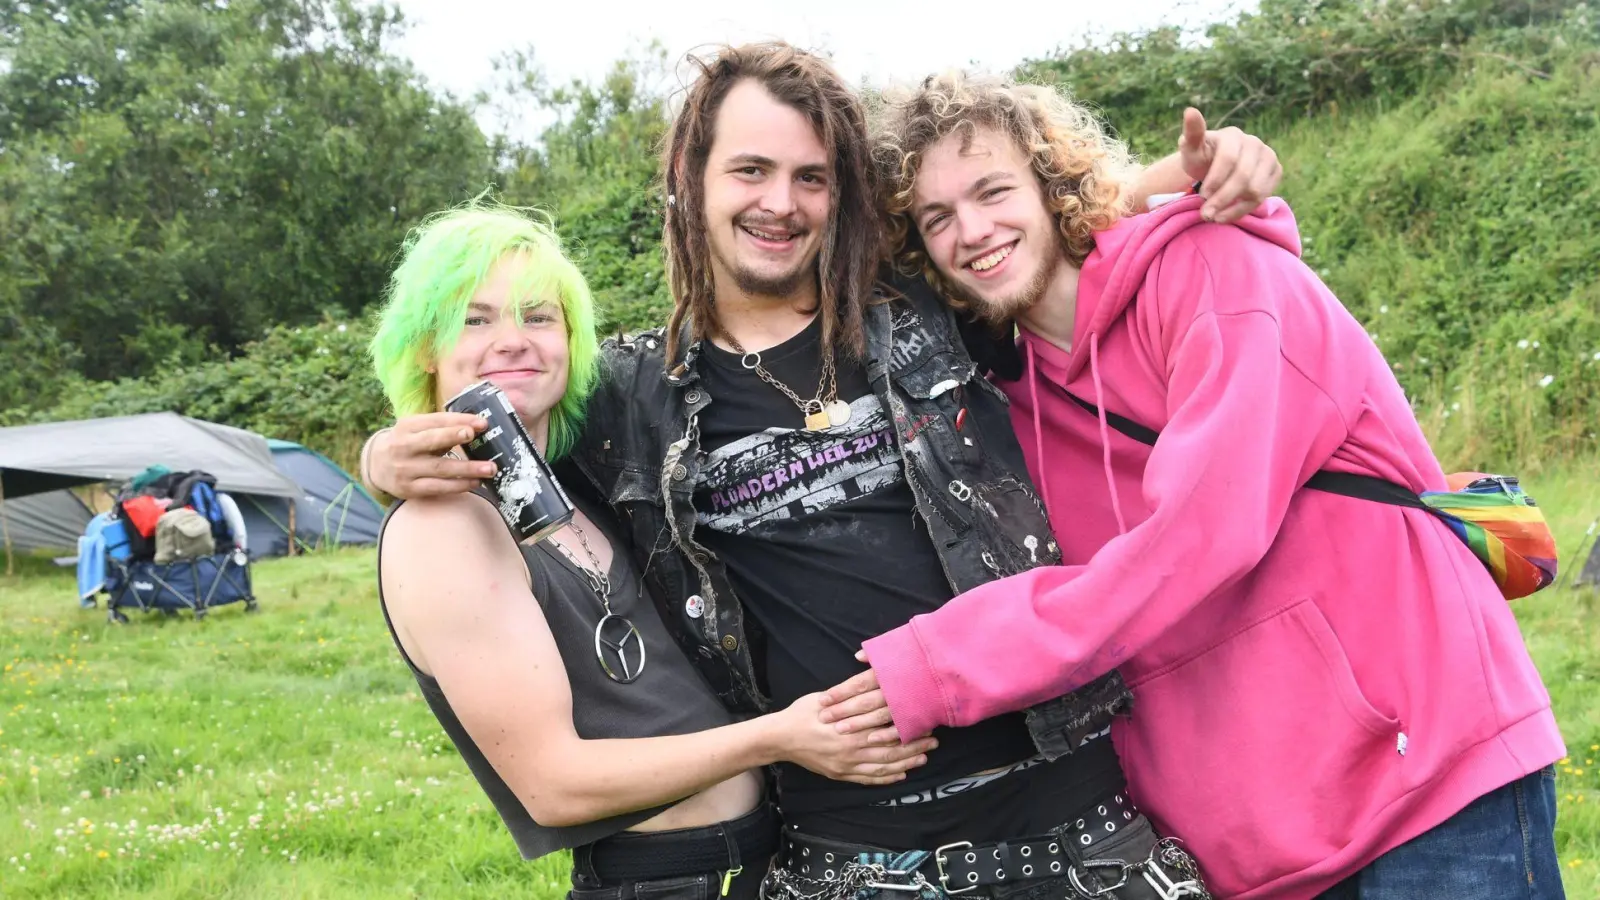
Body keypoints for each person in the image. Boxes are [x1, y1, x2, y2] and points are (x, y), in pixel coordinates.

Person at [364, 43, 1282, 898]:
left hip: (1077, 827)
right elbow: (503, 404)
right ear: (692, 181)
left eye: (811, 177)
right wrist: (383, 454)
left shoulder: (928, 309)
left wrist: (1198, 172)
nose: (781, 202)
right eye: (751, 171)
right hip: (844, 859)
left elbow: (1048, 234)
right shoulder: (626, 403)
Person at [822, 70, 1568, 899]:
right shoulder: (998, 400)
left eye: (993, 190)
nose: (973, 230)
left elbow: (1203, 535)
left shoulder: (1216, 276)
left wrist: (945, 663)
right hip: (1257, 845)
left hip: (1430, 781)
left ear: (1052, 184)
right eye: (936, 218)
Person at [369, 202, 938, 900]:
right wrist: (780, 737)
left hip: (754, 865)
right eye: (476, 318)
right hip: (659, 884)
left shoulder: (580, 479)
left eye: (539, 317)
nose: (513, 340)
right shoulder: (444, 530)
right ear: (425, 346)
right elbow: (553, 786)